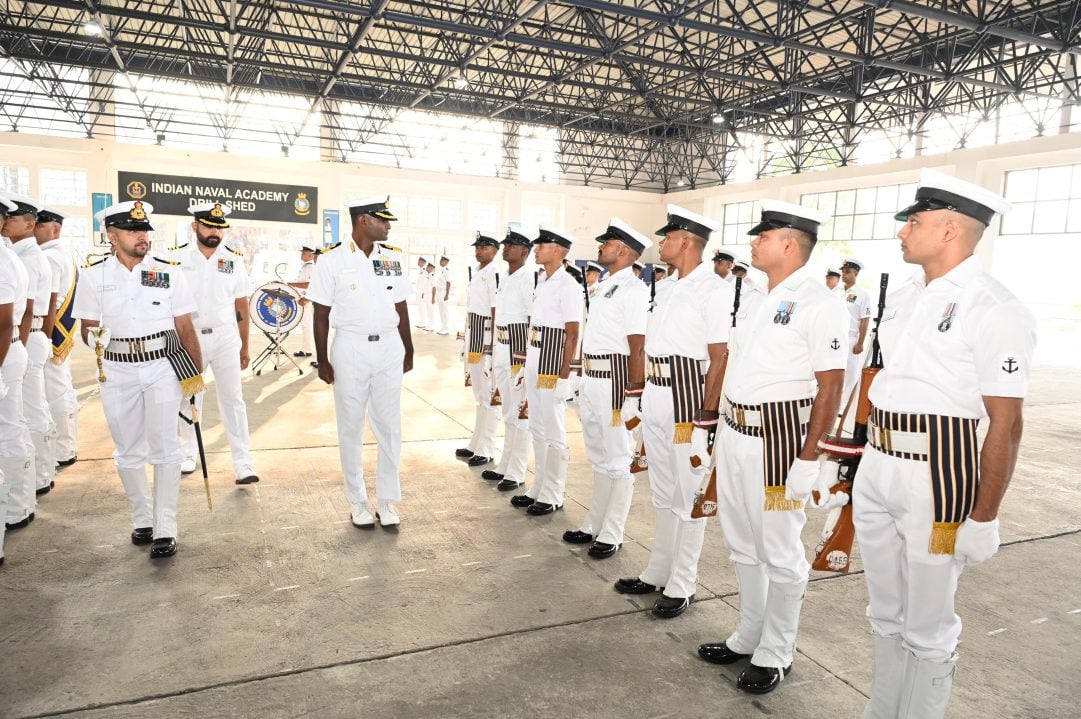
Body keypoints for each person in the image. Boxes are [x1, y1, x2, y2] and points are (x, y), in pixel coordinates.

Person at [853, 170, 1034, 718]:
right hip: (879, 460)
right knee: (884, 609)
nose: (903, 232)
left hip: (939, 470)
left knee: (928, 621)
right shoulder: (907, 296)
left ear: (951, 230)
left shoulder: (994, 306)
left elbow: (1006, 423)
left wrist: (985, 515)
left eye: (914, 221)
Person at [696, 199, 847, 694]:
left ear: (788, 243)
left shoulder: (822, 303)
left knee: (780, 549)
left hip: (780, 438)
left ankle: (777, 651)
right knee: (743, 543)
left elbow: (830, 385)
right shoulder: (758, 294)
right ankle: (749, 634)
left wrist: (811, 456)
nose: (754, 243)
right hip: (737, 433)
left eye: (763, 237)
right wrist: (714, 425)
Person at [612, 205, 733, 617]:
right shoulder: (665, 287)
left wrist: (706, 417)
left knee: (688, 492)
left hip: (686, 397)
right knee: (663, 491)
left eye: (667, 237)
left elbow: (720, 356)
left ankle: (683, 582)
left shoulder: (713, 290)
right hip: (659, 392)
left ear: (686, 241)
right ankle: (657, 571)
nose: (661, 243)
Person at [73, 201, 204, 558]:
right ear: (112, 236)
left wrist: (195, 377)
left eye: (145, 230)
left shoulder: (169, 273)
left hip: (162, 366)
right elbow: (86, 327)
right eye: (133, 231)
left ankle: (165, 527)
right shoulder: (92, 276)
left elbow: (185, 327)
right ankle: (142, 519)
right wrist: (93, 339)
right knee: (128, 449)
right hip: (115, 369)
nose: (143, 236)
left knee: (165, 447)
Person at [308, 196, 413, 529]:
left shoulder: (393, 259)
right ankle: (358, 502)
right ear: (364, 220)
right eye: (383, 220)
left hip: (388, 349)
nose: (389, 226)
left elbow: (401, 306)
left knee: (389, 428)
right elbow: (320, 313)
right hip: (350, 349)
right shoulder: (331, 260)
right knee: (351, 428)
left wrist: (408, 349)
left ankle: (387, 500)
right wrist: (322, 359)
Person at [563, 218, 650, 559]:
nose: (600, 247)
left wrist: (633, 394)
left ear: (624, 250)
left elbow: (638, 346)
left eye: (608, 243)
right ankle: (593, 523)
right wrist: (579, 376)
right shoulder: (604, 286)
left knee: (618, 458)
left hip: (616, 380)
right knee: (599, 455)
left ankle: (613, 531)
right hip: (595, 379)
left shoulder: (633, 290)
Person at [171, 202, 258, 484]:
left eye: (219, 227)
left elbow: (241, 304)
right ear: (194, 226)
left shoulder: (232, 260)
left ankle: (243, 462)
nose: (214, 232)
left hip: (224, 338)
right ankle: (188, 453)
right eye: (208, 225)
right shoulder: (175, 259)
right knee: (189, 397)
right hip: (189, 338)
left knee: (233, 400)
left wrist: (245, 346)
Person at [509, 225, 583, 515]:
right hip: (537, 356)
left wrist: (564, 378)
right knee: (537, 426)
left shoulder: (568, 285)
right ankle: (538, 487)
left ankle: (553, 493)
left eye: (543, 245)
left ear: (559, 250)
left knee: (553, 429)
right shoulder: (543, 280)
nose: (537, 249)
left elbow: (572, 334)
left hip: (553, 362)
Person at [2, 192, 57, 508]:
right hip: (28, 337)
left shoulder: (28, 257)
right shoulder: (22, 255)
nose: (8, 223)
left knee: (26, 415)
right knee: (30, 413)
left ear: (30, 223)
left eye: (13, 218)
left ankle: (32, 487)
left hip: (25, 335)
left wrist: (19, 347)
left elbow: (30, 310)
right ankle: (38, 478)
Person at [481, 229, 534, 492]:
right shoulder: (505, 277)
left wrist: (524, 359)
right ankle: (505, 464)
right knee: (506, 410)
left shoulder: (527, 278)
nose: (506, 248)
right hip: (502, 346)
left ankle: (517, 471)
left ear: (525, 252)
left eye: (512, 245)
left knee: (519, 414)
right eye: (506, 245)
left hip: (517, 348)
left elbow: (530, 320)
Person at [34, 207, 79, 471]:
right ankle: (67, 446)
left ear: (55, 229)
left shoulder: (49, 257)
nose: (34, 229)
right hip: (61, 332)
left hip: (50, 332)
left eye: (38, 225)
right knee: (63, 390)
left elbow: (48, 301)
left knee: (54, 393)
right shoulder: (62, 254)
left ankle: (63, 449)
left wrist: (43, 336)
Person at [0, 195, 31, 556]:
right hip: (12, 349)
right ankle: (17, 508)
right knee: (14, 427)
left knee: (10, 432)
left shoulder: (5, 259)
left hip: (5, 350)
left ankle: (14, 510)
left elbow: (6, 319)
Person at [455, 234, 500, 467]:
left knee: (490, 395)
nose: (479, 250)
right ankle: (476, 442)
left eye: (484, 247)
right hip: (474, 335)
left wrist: (492, 349)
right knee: (479, 396)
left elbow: (495, 311)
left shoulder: (494, 273)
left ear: (495, 250)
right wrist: (467, 341)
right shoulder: (477, 271)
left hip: (486, 336)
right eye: (477, 247)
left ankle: (487, 447)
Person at [839, 257, 871, 403]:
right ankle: (834, 402)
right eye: (843, 272)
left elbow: (865, 319)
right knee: (834, 371)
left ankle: (844, 406)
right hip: (834, 337)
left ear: (856, 273)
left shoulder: (862, 294)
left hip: (851, 338)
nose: (844, 274)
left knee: (850, 374)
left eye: (848, 271)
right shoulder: (836, 292)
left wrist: (860, 342)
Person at [288, 246, 316, 357]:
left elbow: (309, 285)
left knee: (306, 324)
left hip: (306, 299)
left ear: (310, 255)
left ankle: (307, 350)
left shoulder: (310, 268)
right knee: (305, 324)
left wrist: (291, 284)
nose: (302, 255)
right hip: (303, 298)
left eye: (304, 253)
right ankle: (306, 349)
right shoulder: (306, 267)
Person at [413, 257, 430, 331]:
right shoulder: (421, 270)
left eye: (419, 261)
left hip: (421, 293)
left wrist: (423, 292)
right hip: (418, 292)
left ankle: (423, 323)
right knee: (420, 307)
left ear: (423, 262)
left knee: (422, 307)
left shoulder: (424, 271)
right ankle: (421, 321)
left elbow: (426, 283)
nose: (418, 262)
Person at [435, 256, 451, 335]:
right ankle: (443, 327)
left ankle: (446, 328)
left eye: (442, 260)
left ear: (446, 262)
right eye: (440, 260)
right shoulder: (441, 270)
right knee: (441, 311)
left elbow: (448, 283)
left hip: (443, 292)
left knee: (444, 311)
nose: (440, 261)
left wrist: (447, 294)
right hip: (439, 292)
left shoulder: (446, 271)